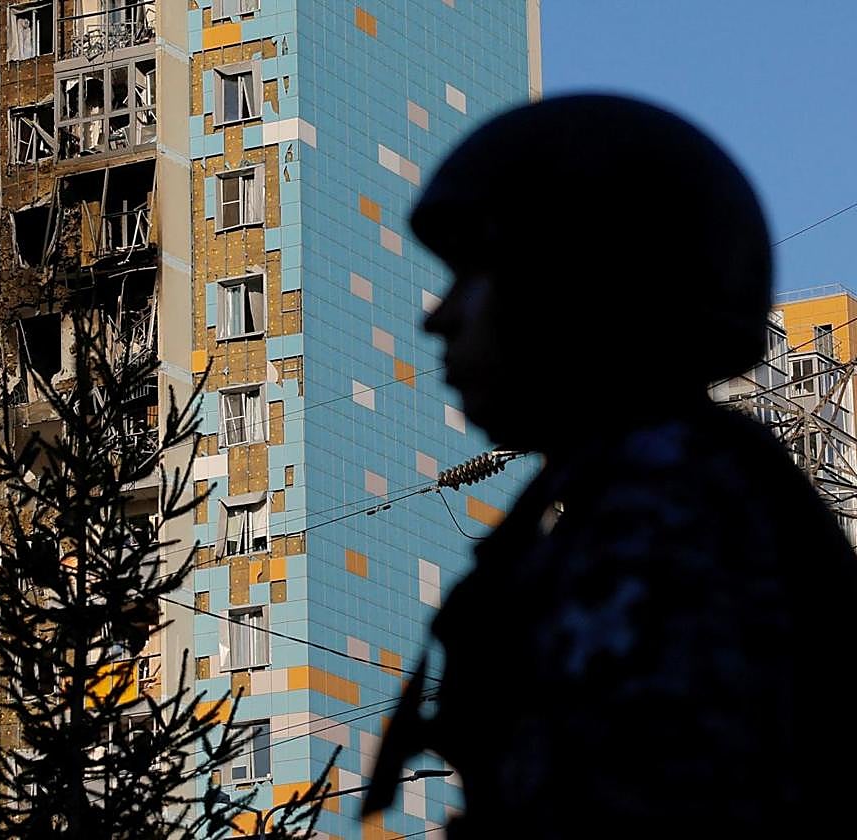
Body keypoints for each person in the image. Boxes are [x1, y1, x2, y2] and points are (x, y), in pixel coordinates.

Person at [363, 94, 857, 837]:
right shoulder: (662, 491)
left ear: (573, 285)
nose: (438, 317)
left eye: (475, 274)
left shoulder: (674, 515)